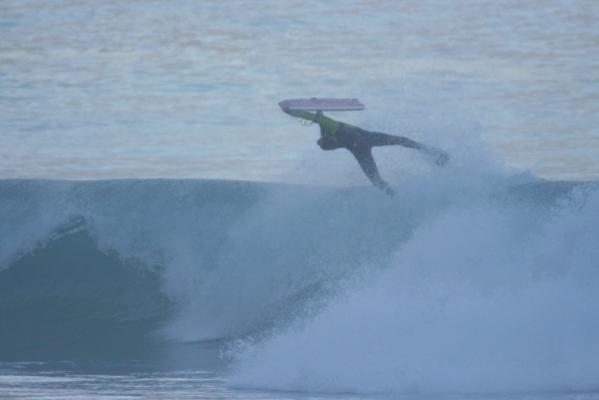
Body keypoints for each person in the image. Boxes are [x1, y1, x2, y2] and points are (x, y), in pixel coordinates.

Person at [280, 105, 449, 196]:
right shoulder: (331, 131)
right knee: (400, 145)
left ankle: (437, 154)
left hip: (363, 143)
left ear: (328, 139)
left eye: (328, 144)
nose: (330, 145)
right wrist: (306, 109)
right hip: (364, 143)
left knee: (402, 143)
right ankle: (398, 196)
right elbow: (318, 119)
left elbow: (318, 119)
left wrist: (297, 112)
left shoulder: (331, 130)